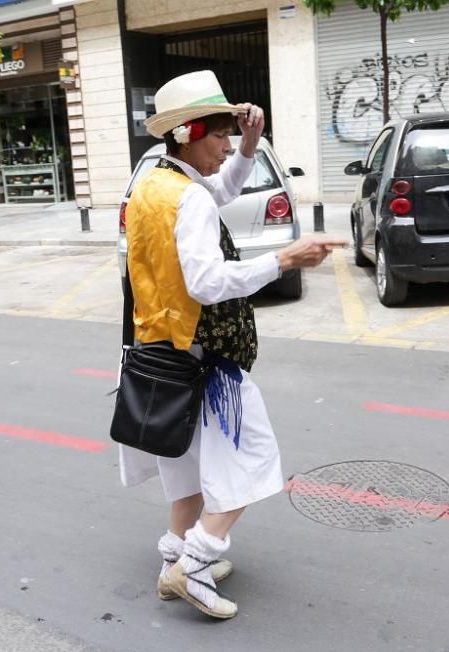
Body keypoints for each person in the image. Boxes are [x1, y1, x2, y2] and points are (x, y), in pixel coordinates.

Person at [119, 70, 345, 620]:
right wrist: (284, 259)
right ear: (189, 132)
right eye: (220, 133)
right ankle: (194, 564)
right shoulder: (187, 198)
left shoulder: (152, 185)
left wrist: (248, 146)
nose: (226, 144)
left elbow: (214, 193)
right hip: (206, 360)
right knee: (254, 461)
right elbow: (208, 282)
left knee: (187, 468)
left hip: (160, 353)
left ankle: (175, 554)